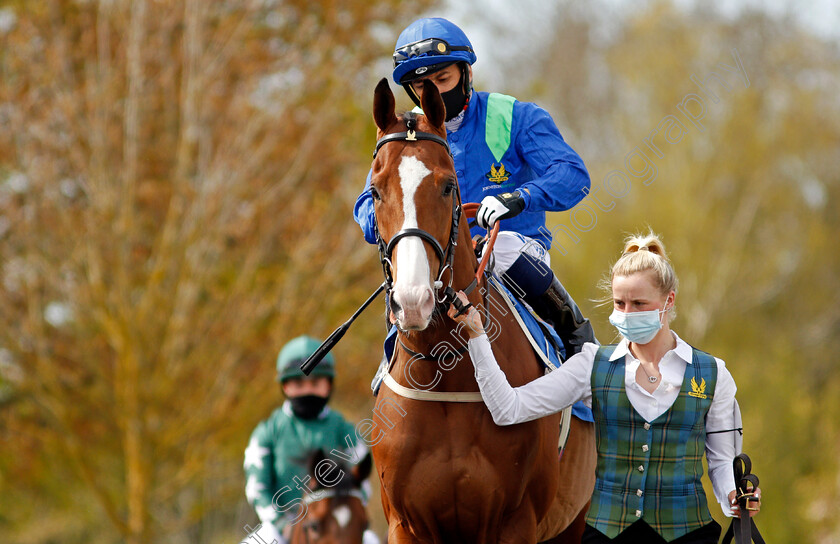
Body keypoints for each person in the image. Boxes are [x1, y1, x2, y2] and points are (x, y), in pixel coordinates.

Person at [448, 232, 761, 544]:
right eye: (619, 303)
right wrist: (477, 337)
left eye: (639, 304)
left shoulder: (714, 374)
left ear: (669, 301)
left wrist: (734, 496)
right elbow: (508, 409)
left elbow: (722, 462)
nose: (626, 314)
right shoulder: (591, 365)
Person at [354, 17, 597, 361]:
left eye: (443, 79)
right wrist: (390, 217)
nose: (433, 93)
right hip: (437, 263)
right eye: (422, 85)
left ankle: (574, 332)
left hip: (513, 255)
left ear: (466, 74)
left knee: (506, 247)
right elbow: (368, 204)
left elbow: (573, 176)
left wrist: (519, 198)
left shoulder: (515, 116)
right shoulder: (401, 135)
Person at [243, 336, 378, 544]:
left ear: (329, 385)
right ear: (285, 386)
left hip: (336, 519)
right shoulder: (267, 432)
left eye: (315, 382)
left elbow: (361, 479)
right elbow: (257, 487)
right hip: (281, 526)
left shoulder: (343, 428)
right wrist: (280, 523)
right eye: (298, 383)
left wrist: (349, 508)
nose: (307, 390)